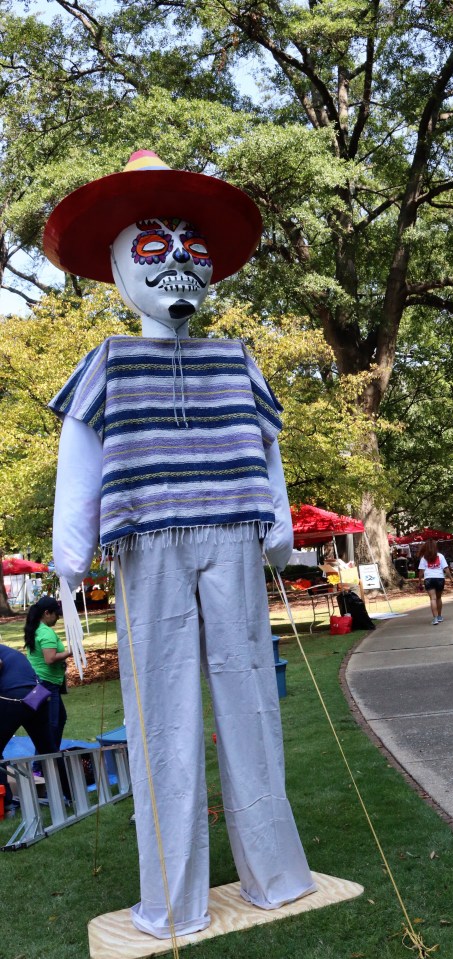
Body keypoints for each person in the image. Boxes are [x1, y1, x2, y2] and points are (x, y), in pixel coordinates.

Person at [43, 150, 314, 940]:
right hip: (148, 545)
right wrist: (70, 553)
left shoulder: (237, 360)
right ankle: (174, 897)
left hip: (230, 533)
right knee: (161, 715)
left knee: (250, 698)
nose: (178, 261)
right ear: (120, 263)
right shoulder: (108, 362)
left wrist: (278, 528)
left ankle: (274, 873)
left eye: (191, 246)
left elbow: (267, 450)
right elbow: (79, 459)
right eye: (154, 247)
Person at [0, 643, 60, 805]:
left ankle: (5, 803)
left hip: (15, 696)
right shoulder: (6, 650)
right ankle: (68, 793)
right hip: (37, 693)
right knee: (48, 749)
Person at [23, 597, 71, 749]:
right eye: (56, 614)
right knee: (51, 726)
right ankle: (45, 759)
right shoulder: (46, 632)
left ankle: (49, 755)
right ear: (47, 613)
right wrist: (70, 652)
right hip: (46, 684)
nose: (58, 618)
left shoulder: (35, 627)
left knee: (58, 719)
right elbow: (50, 658)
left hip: (38, 682)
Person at [417, 540, 453, 625]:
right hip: (440, 578)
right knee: (438, 598)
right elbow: (446, 568)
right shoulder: (440, 556)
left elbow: (421, 571)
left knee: (433, 599)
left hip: (429, 579)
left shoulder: (424, 558)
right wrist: (451, 579)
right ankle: (440, 616)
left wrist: (419, 581)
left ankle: (435, 618)